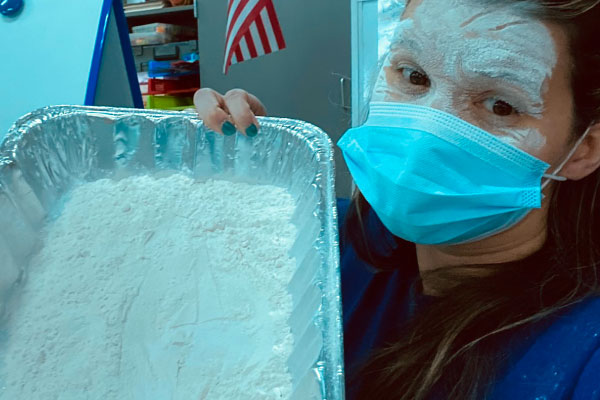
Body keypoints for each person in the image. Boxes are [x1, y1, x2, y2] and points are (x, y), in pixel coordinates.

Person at [194, 0, 600, 398]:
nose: (425, 132)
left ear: (585, 148)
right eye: (415, 76)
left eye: (500, 105)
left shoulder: (584, 354)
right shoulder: (316, 241)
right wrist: (235, 177)